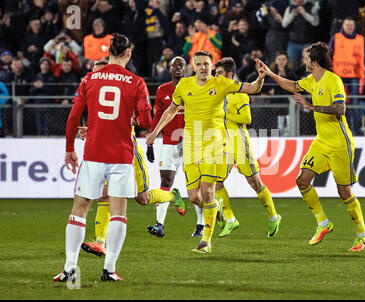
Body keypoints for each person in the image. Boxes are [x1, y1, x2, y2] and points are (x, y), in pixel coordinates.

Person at [53, 33, 179, 283]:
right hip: (121, 156)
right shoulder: (136, 82)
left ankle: (69, 270)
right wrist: (134, 116)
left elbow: (73, 117)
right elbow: (144, 121)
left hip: (94, 154)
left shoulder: (89, 79)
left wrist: (70, 148)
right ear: (128, 53)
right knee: (118, 211)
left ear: (108, 51)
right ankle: (109, 270)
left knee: (79, 210)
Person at [146, 50, 266, 254]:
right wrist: (155, 132)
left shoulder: (222, 83)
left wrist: (261, 77)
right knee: (194, 197)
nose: (203, 67)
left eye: (206, 64)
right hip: (191, 145)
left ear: (211, 67)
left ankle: (206, 242)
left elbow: (252, 88)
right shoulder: (184, 85)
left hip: (214, 144)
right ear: (193, 66)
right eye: (199, 64)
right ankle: (216, 205)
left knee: (207, 190)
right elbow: (171, 110)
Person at [256, 42, 365, 252]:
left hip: (339, 143)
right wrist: (271, 74)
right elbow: (292, 85)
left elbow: (340, 109)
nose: (304, 60)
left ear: (315, 61)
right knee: (302, 181)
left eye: (307, 57)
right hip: (321, 142)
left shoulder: (333, 80)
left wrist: (311, 106)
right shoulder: (312, 80)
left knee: (344, 191)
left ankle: (363, 233)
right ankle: (323, 223)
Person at [77, 57, 185, 257]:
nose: (94, 75)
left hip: (128, 151)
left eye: (97, 71)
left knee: (142, 198)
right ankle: (100, 241)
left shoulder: (126, 88)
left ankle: (173, 196)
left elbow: (139, 119)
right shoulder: (96, 91)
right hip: (106, 150)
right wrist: (90, 129)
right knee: (104, 194)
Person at [214, 57, 281, 238]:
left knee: (255, 183)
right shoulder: (216, 92)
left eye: (219, 73)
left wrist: (224, 112)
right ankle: (230, 219)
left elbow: (246, 118)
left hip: (239, 142)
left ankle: (274, 216)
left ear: (229, 74)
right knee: (216, 181)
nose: (215, 75)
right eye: (215, 73)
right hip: (223, 143)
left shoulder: (239, 92)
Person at [147, 56, 205, 238]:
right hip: (169, 144)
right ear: (170, 69)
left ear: (186, 69)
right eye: (175, 65)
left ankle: (200, 225)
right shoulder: (162, 90)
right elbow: (157, 117)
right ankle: (159, 225)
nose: (178, 68)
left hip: (191, 144)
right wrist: (151, 139)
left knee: (195, 185)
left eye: (182, 65)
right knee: (165, 183)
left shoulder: (194, 86)